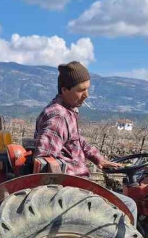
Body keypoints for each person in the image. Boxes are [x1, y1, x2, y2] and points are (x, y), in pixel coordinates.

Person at [34, 61, 138, 219]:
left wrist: (99, 159)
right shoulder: (58, 116)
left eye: (87, 89)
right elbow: (44, 159)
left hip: (77, 185)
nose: (86, 95)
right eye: (81, 90)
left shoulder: (68, 111)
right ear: (64, 90)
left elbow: (77, 140)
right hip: (73, 190)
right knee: (129, 205)